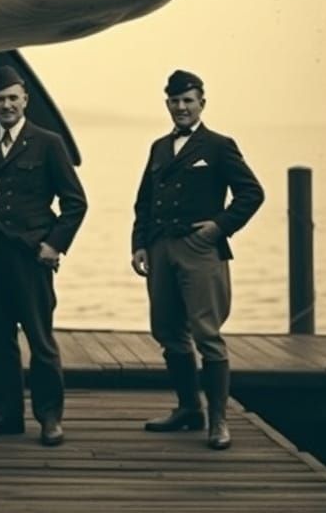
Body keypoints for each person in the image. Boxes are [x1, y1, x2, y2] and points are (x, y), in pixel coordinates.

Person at [130, 69, 264, 451]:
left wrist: (218, 227)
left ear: (202, 103)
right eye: (174, 101)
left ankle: (219, 421)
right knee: (167, 330)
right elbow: (144, 201)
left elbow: (251, 193)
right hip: (160, 248)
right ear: (167, 104)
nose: (181, 107)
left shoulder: (219, 145)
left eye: (188, 100)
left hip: (200, 248)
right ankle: (189, 409)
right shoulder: (158, 147)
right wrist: (139, 243)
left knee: (207, 334)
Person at [0, 65, 88, 447]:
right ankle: (6, 414)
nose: (7, 105)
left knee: (40, 339)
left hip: (31, 257)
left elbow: (75, 203)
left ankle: (49, 417)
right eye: (0, 100)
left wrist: (54, 244)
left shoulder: (49, 143)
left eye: (13, 98)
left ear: (25, 100)